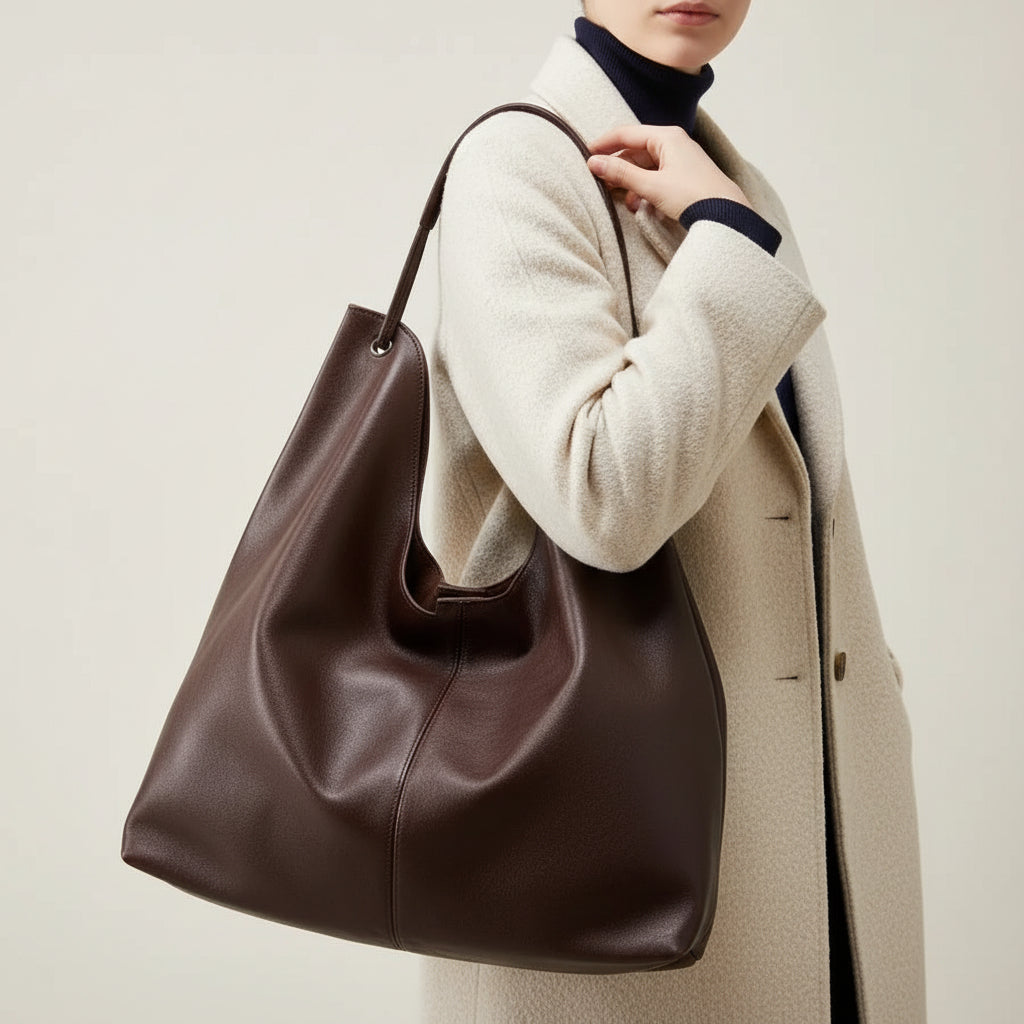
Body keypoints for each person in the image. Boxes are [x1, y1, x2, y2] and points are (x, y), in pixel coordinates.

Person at [417, 1, 927, 1021]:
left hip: (804, 836)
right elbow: (604, 495)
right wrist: (728, 236)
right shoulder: (517, 166)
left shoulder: (720, 172)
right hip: (617, 845)